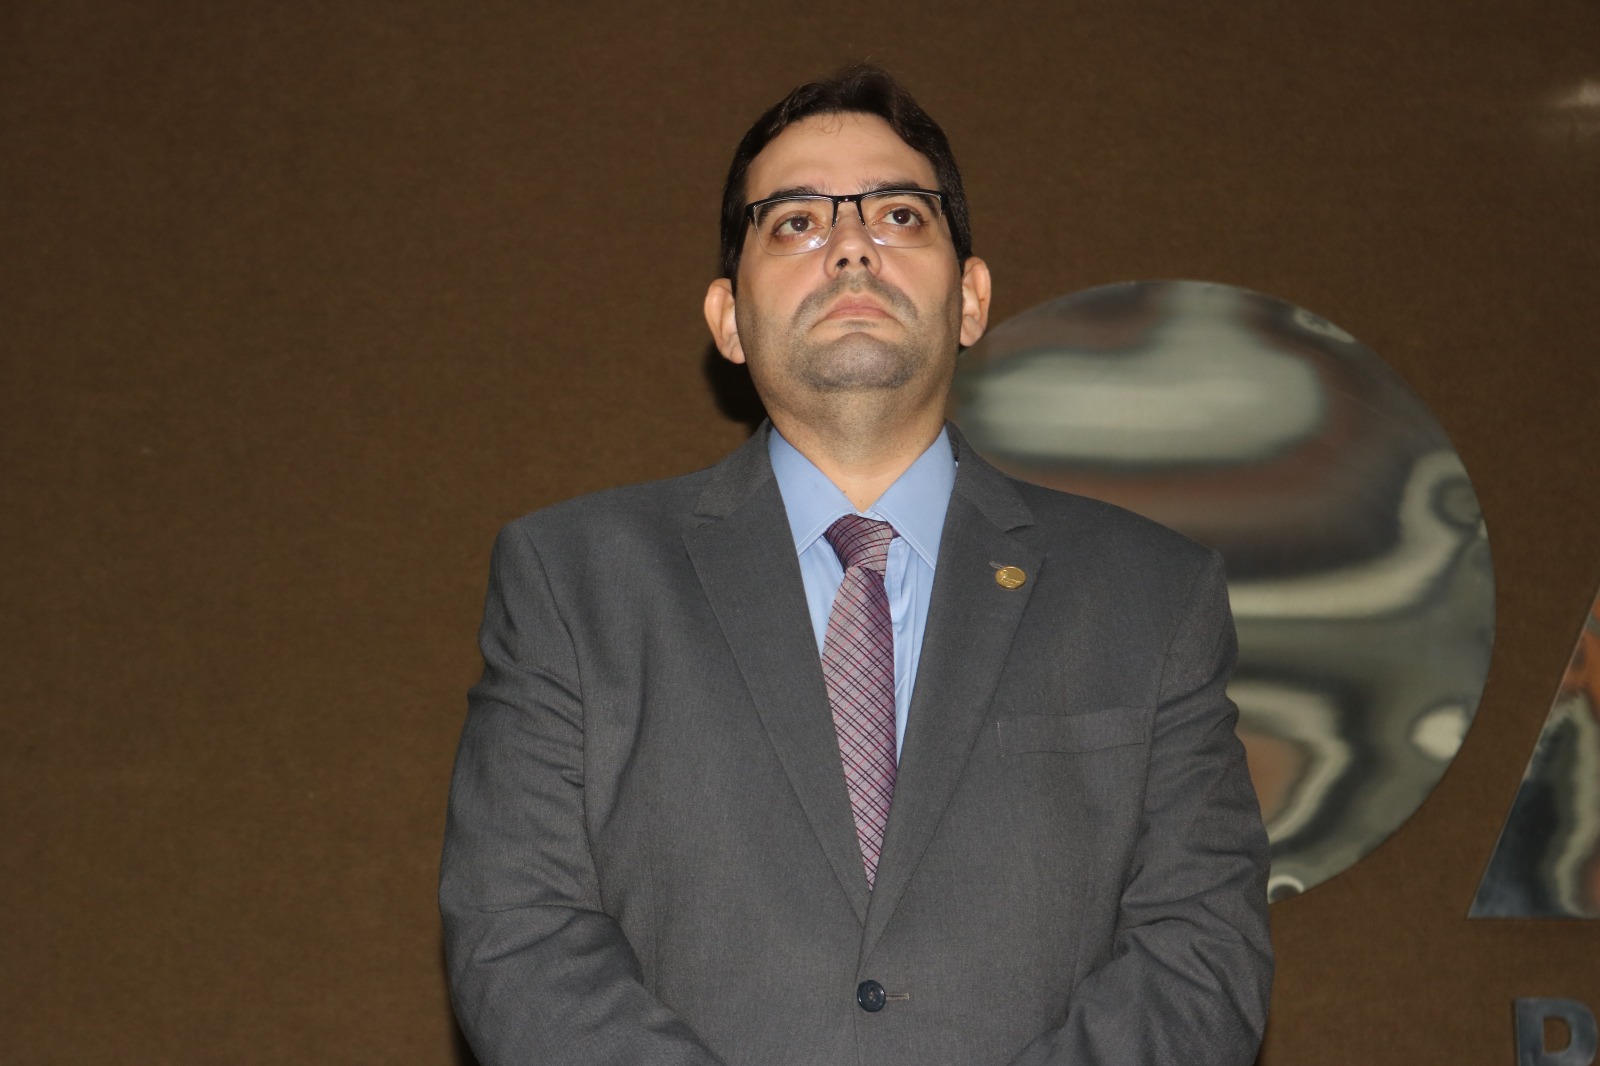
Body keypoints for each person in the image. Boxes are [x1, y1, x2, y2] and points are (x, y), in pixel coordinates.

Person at [440, 64, 1272, 1066]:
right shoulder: (573, 581)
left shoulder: (1151, 594)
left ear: (971, 299)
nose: (849, 246)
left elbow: (1201, 954)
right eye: (794, 222)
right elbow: (518, 938)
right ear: (727, 320)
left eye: (899, 215)